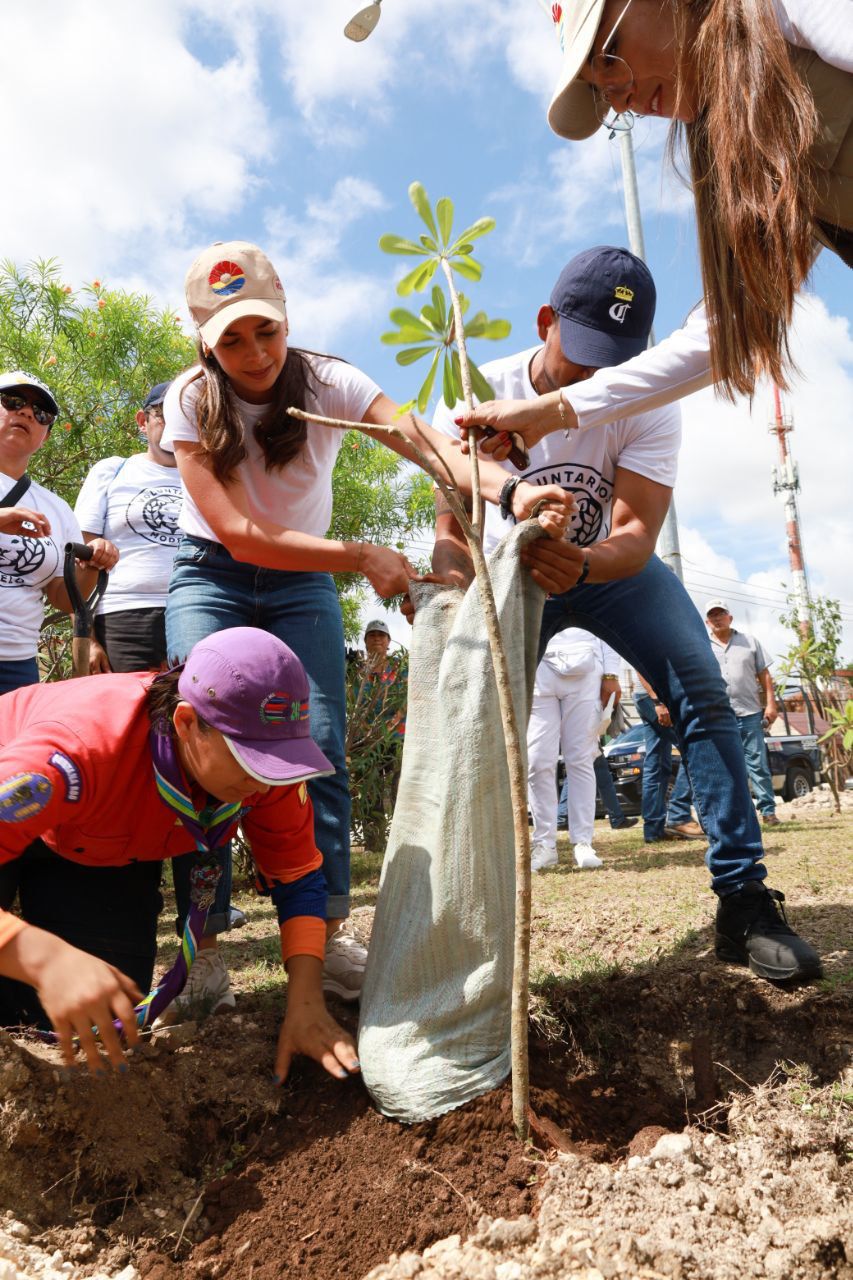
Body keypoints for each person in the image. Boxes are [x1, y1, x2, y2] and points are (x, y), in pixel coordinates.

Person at [161, 240, 571, 1011]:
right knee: (197, 748)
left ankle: (327, 931)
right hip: (211, 571)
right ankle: (203, 949)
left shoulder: (329, 381)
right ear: (203, 344)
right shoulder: (192, 398)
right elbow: (238, 531)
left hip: (301, 584)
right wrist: (358, 555)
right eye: (231, 340)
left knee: (316, 744)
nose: (252, 354)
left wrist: (511, 493)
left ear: (286, 321)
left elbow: (426, 444)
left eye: (265, 332)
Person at [429, 245, 822, 984]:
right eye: (579, 352)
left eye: (611, 358)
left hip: (606, 570)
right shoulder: (484, 390)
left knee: (702, 691)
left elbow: (636, 535)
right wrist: (451, 570)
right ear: (545, 322)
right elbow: (450, 510)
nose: (592, 374)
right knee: (470, 718)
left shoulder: (645, 401)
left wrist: (580, 564)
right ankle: (457, 922)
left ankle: (742, 900)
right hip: (514, 574)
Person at [457, 0, 851, 445]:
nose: (620, 100)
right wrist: (552, 413)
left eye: (609, 55)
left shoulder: (783, 11)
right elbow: (723, 333)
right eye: (603, 93)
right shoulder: (742, 149)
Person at [0, 626, 360, 1084]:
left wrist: (306, 1005)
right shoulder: (80, 751)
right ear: (187, 723)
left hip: (90, 847)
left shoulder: (270, 770)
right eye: (252, 760)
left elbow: (300, 881)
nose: (268, 784)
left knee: (97, 1026)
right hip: (19, 808)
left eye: (279, 760)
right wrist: (42, 958)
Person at [0, 371, 118, 693]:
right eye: (13, 401)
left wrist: (91, 567)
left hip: (18, 666)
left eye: (41, 413)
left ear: (46, 435)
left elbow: (62, 598)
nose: (26, 412)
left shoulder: (56, 509)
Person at [75, 381, 182, 674]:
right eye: (163, 412)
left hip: (196, 615)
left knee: (195, 718)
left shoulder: (212, 479)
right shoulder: (112, 470)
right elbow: (81, 559)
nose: (175, 422)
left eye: (184, 413)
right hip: (123, 618)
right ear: (142, 422)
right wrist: (88, 639)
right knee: (128, 718)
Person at [528, 627, 622, 871]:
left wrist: (611, 674)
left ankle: (583, 842)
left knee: (580, 759)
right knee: (536, 761)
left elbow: (606, 620)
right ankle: (544, 845)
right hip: (537, 662)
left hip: (587, 666)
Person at [705, 599, 780, 827]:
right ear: (708, 622)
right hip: (719, 716)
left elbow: (765, 675)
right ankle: (737, 813)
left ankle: (768, 811)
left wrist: (771, 704)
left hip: (749, 713)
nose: (718, 618)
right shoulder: (703, 644)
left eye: (721, 614)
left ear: (730, 617)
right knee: (727, 766)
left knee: (757, 764)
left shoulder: (749, 641)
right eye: (713, 615)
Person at [634, 673, 704, 843]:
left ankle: (653, 829)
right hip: (656, 697)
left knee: (656, 763)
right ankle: (679, 815)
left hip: (649, 696)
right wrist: (657, 701)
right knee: (694, 749)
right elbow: (640, 663)